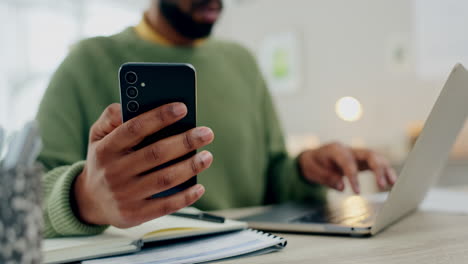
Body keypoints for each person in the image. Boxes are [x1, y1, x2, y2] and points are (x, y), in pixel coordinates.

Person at [37, 0, 397, 238]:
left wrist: (304, 168)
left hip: (250, 251)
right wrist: (82, 197)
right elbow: (18, 204)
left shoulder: (242, 62)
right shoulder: (84, 63)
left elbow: (273, 179)